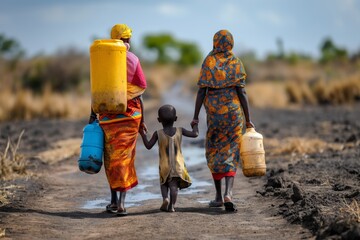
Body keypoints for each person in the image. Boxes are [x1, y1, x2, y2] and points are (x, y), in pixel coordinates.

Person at [191, 30, 255, 212]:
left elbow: (201, 91)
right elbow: (242, 92)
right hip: (234, 115)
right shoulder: (236, 62)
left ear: (215, 42)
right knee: (232, 151)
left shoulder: (208, 61)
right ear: (231, 43)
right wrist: (248, 119)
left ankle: (218, 197)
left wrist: (195, 117)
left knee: (215, 150)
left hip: (214, 115)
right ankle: (229, 193)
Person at [89, 24, 147, 216]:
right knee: (125, 158)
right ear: (128, 40)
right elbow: (140, 90)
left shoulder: (102, 60)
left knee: (111, 159)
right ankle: (121, 203)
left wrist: (92, 115)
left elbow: (98, 90)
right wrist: (143, 121)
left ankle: (114, 202)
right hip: (130, 116)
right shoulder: (132, 59)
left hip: (107, 117)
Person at [139, 104, 199, 212]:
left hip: (164, 165)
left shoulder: (158, 133)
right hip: (178, 165)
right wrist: (194, 124)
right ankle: (172, 205)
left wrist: (143, 135)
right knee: (174, 186)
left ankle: (165, 198)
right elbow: (195, 134)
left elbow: (148, 146)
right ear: (175, 119)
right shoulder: (180, 130)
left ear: (158, 120)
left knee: (164, 183)